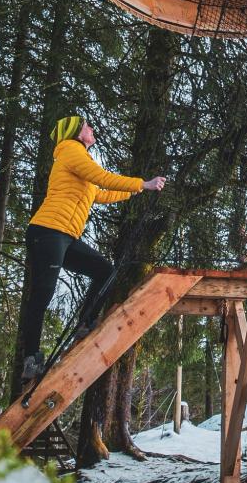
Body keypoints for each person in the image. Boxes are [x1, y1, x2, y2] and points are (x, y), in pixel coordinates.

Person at [15, 114, 167, 386]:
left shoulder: (78, 162)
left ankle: (86, 323)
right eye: (87, 126)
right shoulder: (71, 152)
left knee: (104, 271)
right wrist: (142, 183)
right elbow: (102, 177)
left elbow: (100, 192)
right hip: (48, 232)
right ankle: (31, 358)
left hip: (65, 236)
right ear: (76, 132)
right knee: (43, 295)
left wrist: (137, 190)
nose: (91, 129)